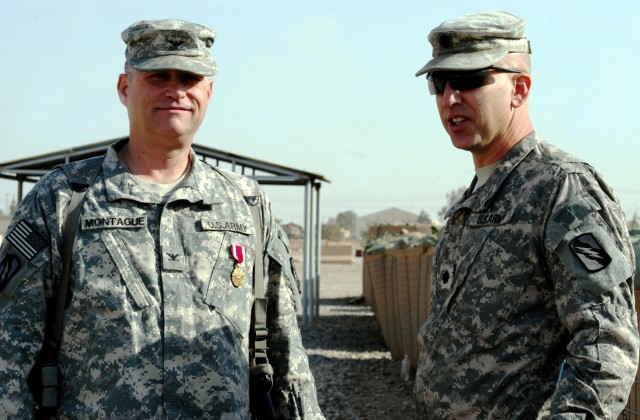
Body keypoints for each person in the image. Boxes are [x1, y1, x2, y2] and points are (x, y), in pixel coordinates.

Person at [0, 19, 324, 419]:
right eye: (157, 76)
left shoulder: (248, 204)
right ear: (124, 88)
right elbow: (7, 358)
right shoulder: (63, 200)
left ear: (208, 91)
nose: (175, 90)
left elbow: (287, 356)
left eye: (189, 77)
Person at [413, 10, 639, 418]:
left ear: (519, 88)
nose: (449, 98)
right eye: (439, 83)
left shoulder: (563, 190)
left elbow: (607, 343)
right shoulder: (475, 202)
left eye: (468, 80)